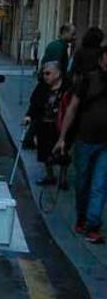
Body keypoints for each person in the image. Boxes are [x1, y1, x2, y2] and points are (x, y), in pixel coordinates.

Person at [54, 46, 107, 244]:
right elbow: (72, 109)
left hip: (105, 145)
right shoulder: (87, 80)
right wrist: (62, 138)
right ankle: (82, 219)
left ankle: (93, 225)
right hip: (84, 140)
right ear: (101, 61)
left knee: (100, 184)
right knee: (83, 182)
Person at [24, 61, 69, 186]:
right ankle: (50, 176)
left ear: (58, 73)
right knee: (45, 152)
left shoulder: (67, 88)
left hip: (60, 126)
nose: (45, 76)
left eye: (48, 73)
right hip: (44, 124)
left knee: (62, 152)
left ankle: (63, 179)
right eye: (43, 73)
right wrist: (29, 116)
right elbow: (34, 104)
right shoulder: (42, 87)